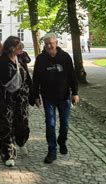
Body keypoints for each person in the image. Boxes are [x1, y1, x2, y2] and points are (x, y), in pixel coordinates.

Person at [32, 32, 80, 164]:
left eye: (51, 43)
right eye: (46, 44)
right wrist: (35, 96)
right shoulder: (41, 59)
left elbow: (72, 76)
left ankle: (62, 141)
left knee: (64, 125)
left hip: (64, 96)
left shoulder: (65, 57)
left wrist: (75, 93)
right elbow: (36, 79)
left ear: (56, 43)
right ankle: (52, 151)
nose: (48, 46)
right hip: (48, 97)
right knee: (50, 124)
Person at [0, 36, 31, 167]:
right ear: (11, 48)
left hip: (22, 98)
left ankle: (21, 141)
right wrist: (0, 90)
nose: (21, 48)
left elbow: (28, 77)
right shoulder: (1, 61)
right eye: (19, 46)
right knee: (6, 126)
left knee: (22, 123)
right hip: (6, 99)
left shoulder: (21, 58)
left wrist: (34, 95)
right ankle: (8, 154)